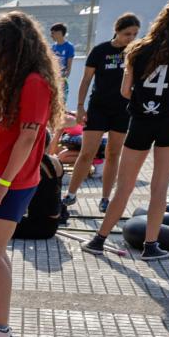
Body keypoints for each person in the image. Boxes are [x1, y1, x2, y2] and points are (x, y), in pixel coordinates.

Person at [83, 1, 169, 260]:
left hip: (141, 121)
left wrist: (143, 99)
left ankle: (99, 239)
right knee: (159, 188)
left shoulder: (137, 48)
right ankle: (150, 246)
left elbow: (125, 91)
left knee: (124, 186)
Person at [0, 12, 65, 337]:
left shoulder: (34, 83)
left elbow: (28, 138)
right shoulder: (19, 80)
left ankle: (1, 329)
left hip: (10, 181)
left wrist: (3, 182)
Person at [62, 13, 141, 212]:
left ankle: (105, 198)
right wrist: (80, 106)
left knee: (113, 154)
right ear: (117, 31)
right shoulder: (100, 51)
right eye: (127, 34)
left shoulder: (136, 52)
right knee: (86, 153)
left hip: (123, 110)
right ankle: (70, 194)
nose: (131, 38)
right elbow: (86, 80)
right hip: (98, 108)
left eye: (135, 34)